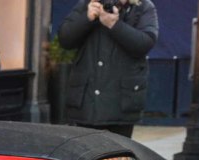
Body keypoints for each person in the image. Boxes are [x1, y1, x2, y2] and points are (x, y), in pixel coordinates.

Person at [58, 0, 159, 138]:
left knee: (118, 156)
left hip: (122, 104)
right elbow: (65, 39)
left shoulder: (142, 7)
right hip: (86, 103)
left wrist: (114, 25)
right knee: (86, 155)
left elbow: (144, 43)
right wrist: (86, 18)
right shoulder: (88, 3)